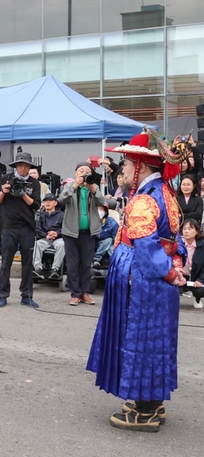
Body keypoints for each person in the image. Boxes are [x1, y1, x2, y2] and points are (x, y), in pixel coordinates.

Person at [87, 131, 186, 432]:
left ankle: (144, 412)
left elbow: (146, 247)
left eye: (127, 165)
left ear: (141, 167)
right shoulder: (167, 193)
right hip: (158, 278)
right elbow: (174, 238)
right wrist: (177, 265)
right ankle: (152, 401)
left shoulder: (143, 200)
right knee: (155, 341)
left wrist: (168, 271)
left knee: (140, 341)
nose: (123, 170)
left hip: (145, 280)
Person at [0, 152, 42, 308]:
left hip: (27, 226)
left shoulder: (34, 183)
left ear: (29, 167)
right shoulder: (5, 178)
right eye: (20, 165)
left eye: (26, 165)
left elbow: (36, 205)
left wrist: (22, 194)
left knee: (28, 263)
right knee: (6, 261)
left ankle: (26, 295)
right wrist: (4, 191)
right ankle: (2, 295)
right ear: (16, 166)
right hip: (9, 226)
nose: (22, 168)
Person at [58, 162, 106, 305]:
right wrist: (75, 186)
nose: (84, 173)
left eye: (87, 171)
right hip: (71, 232)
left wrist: (92, 188)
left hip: (88, 232)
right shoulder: (69, 186)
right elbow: (61, 200)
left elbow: (102, 201)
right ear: (75, 173)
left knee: (86, 264)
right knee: (73, 264)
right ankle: (75, 294)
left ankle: (85, 293)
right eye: (81, 170)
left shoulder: (94, 187)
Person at [32, 193, 65, 280]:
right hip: (45, 238)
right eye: (46, 201)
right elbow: (37, 228)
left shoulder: (62, 214)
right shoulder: (40, 215)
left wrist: (56, 233)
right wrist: (46, 235)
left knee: (62, 245)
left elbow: (65, 228)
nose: (47, 203)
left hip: (58, 238)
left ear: (55, 203)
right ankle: (38, 269)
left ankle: (55, 269)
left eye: (50, 201)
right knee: (36, 244)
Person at [180, 218, 204, 309]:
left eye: (190, 229)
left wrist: (200, 280)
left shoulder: (202, 245)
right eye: (184, 229)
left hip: (196, 278)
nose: (186, 231)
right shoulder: (178, 244)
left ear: (197, 231)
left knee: (200, 290)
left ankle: (197, 298)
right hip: (182, 276)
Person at [93, 203, 118, 267]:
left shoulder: (112, 223)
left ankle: (115, 263)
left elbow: (116, 238)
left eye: (101, 210)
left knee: (109, 241)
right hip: (93, 243)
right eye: (97, 209)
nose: (99, 212)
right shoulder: (89, 221)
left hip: (107, 243)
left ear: (105, 212)